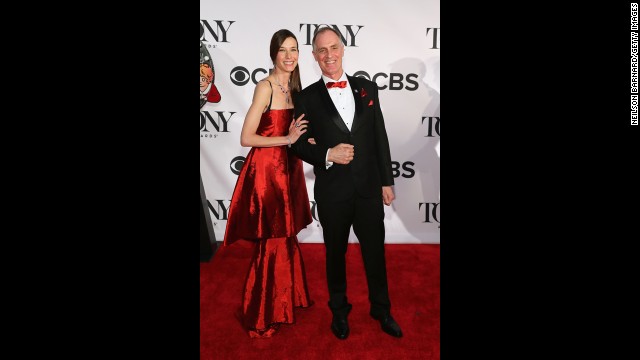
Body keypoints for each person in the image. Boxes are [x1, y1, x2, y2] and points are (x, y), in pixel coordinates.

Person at [290, 27, 403, 339]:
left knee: (374, 254)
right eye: (322, 50)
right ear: (314, 56)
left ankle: (382, 309)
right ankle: (339, 311)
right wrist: (327, 153)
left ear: (343, 49)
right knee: (334, 255)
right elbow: (296, 144)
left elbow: (379, 136)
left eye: (334, 48)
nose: (329, 56)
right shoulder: (307, 97)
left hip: (368, 188)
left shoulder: (367, 88)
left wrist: (386, 181)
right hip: (333, 192)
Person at [222, 29, 313, 338]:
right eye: (283, 50)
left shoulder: (297, 87)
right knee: (272, 238)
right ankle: (261, 312)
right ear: (273, 54)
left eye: (294, 50)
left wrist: (303, 138)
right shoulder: (266, 87)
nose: (289, 56)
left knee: (285, 235)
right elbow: (246, 137)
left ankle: (289, 298)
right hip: (267, 172)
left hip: (289, 168)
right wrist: (285, 138)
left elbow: (296, 130)